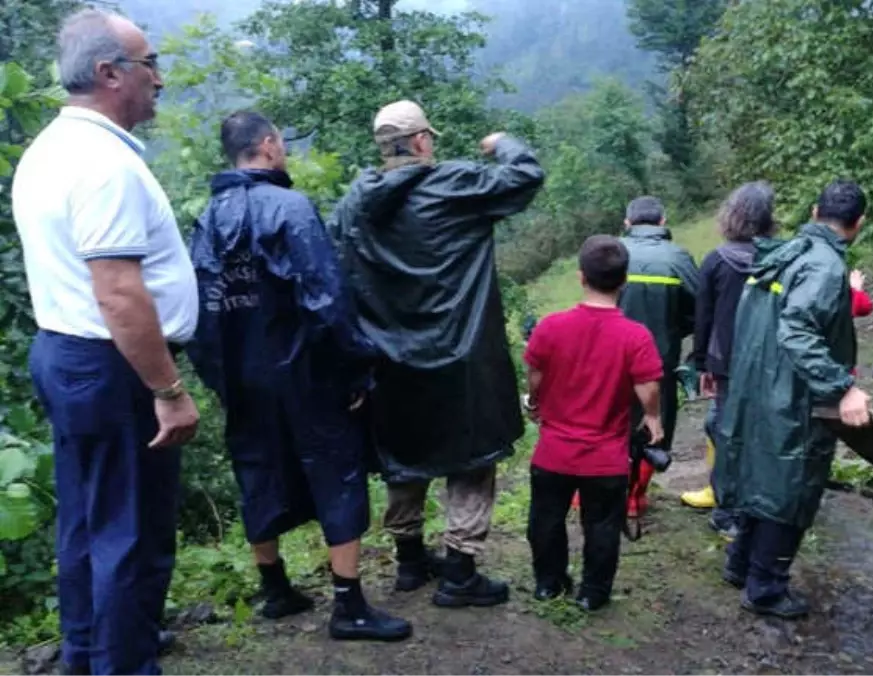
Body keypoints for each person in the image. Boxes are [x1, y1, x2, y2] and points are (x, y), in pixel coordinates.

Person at [12, 9, 199, 674]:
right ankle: (124, 664)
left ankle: (88, 656)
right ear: (108, 73)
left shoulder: (51, 151)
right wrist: (168, 391)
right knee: (132, 534)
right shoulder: (102, 164)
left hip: (68, 355)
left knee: (90, 525)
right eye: (151, 65)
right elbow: (118, 292)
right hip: (114, 366)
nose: (160, 80)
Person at [186, 112, 411, 641]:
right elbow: (326, 297)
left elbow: (198, 312)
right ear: (267, 146)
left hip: (243, 379)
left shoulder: (206, 221)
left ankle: (274, 589)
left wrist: (221, 380)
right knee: (338, 473)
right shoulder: (290, 208)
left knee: (256, 471)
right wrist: (355, 370)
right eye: (281, 143)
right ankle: (349, 605)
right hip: (307, 374)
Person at [331, 100, 545, 607]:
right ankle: (460, 572)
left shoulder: (353, 204)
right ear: (423, 141)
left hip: (389, 361)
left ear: (384, 148)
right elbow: (525, 175)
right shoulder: (456, 185)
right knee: (471, 461)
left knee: (403, 455)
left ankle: (409, 562)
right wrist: (502, 144)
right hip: (460, 357)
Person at [716, 180, 873, 620]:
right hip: (792, 395)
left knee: (761, 477)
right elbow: (798, 330)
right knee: (790, 485)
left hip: (756, 386)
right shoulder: (823, 267)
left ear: (813, 211)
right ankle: (765, 586)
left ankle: (741, 564)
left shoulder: (783, 254)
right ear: (858, 224)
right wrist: (843, 386)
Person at [522, 235, 666, 612]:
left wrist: (535, 402)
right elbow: (648, 388)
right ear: (624, 281)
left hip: (553, 451)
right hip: (605, 456)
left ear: (581, 277)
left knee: (546, 519)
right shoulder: (635, 336)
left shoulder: (550, 327)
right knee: (602, 525)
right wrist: (652, 417)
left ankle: (548, 585)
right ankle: (593, 593)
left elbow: (535, 374)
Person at [682, 182, 778, 539]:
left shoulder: (716, 261)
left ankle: (726, 512)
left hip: (727, 363)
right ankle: (754, 502)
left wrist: (703, 364)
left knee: (726, 431)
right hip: (769, 362)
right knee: (759, 431)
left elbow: (703, 318)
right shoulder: (779, 259)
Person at [617, 196, 700, 520]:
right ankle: (635, 498)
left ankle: (603, 491)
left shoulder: (614, 253)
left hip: (612, 357)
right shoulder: (679, 258)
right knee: (654, 425)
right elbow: (698, 310)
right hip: (659, 358)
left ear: (627, 223)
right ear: (663, 222)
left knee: (611, 420)